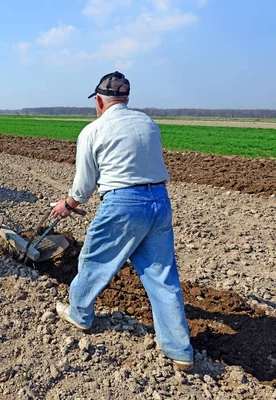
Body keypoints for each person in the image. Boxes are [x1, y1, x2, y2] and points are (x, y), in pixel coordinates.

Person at [51, 71, 194, 371]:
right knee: (162, 277)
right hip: (159, 201)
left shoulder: (93, 130)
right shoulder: (148, 123)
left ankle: (79, 313)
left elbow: (84, 185)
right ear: (125, 98)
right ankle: (179, 350)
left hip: (123, 203)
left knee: (94, 260)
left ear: (100, 101)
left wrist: (68, 204)